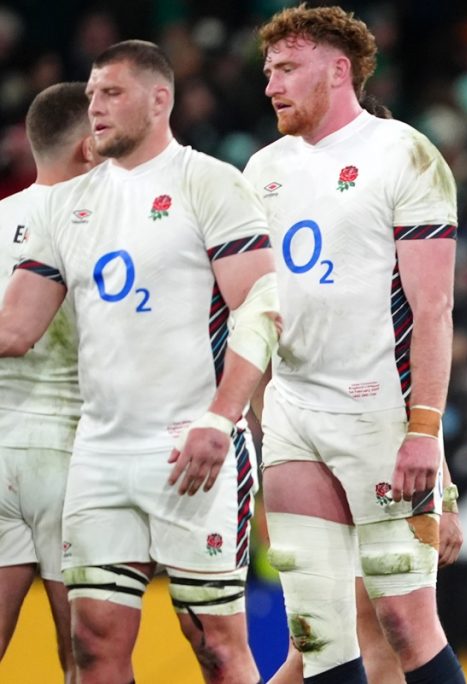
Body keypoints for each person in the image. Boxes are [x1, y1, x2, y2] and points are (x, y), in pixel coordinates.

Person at [0, 40, 279, 684]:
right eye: (92, 93)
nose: (94, 106)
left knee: (215, 645)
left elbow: (261, 308)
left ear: (161, 100)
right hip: (98, 455)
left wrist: (222, 417)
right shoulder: (65, 203)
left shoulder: (209, 182)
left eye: (112, 93)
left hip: (192, 444)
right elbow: (15, 326)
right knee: (94, 648)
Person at [244, 5, 464, 683]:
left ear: (338, 70)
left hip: (378, 413)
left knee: (403, 622)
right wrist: (244, 421)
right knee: (317, 635)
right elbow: (253, 310)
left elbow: (433, 307)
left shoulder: (405, 154)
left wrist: (427, 433)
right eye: (267, 71)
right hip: (291, 415)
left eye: (286, 68)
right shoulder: (261, 169)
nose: (271, 85)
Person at [0, 81, 97, 683]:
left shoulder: (1, 216)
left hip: (0, 446)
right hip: (74, 454)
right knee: (88, 661)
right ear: (90, 146)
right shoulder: (99, 223)